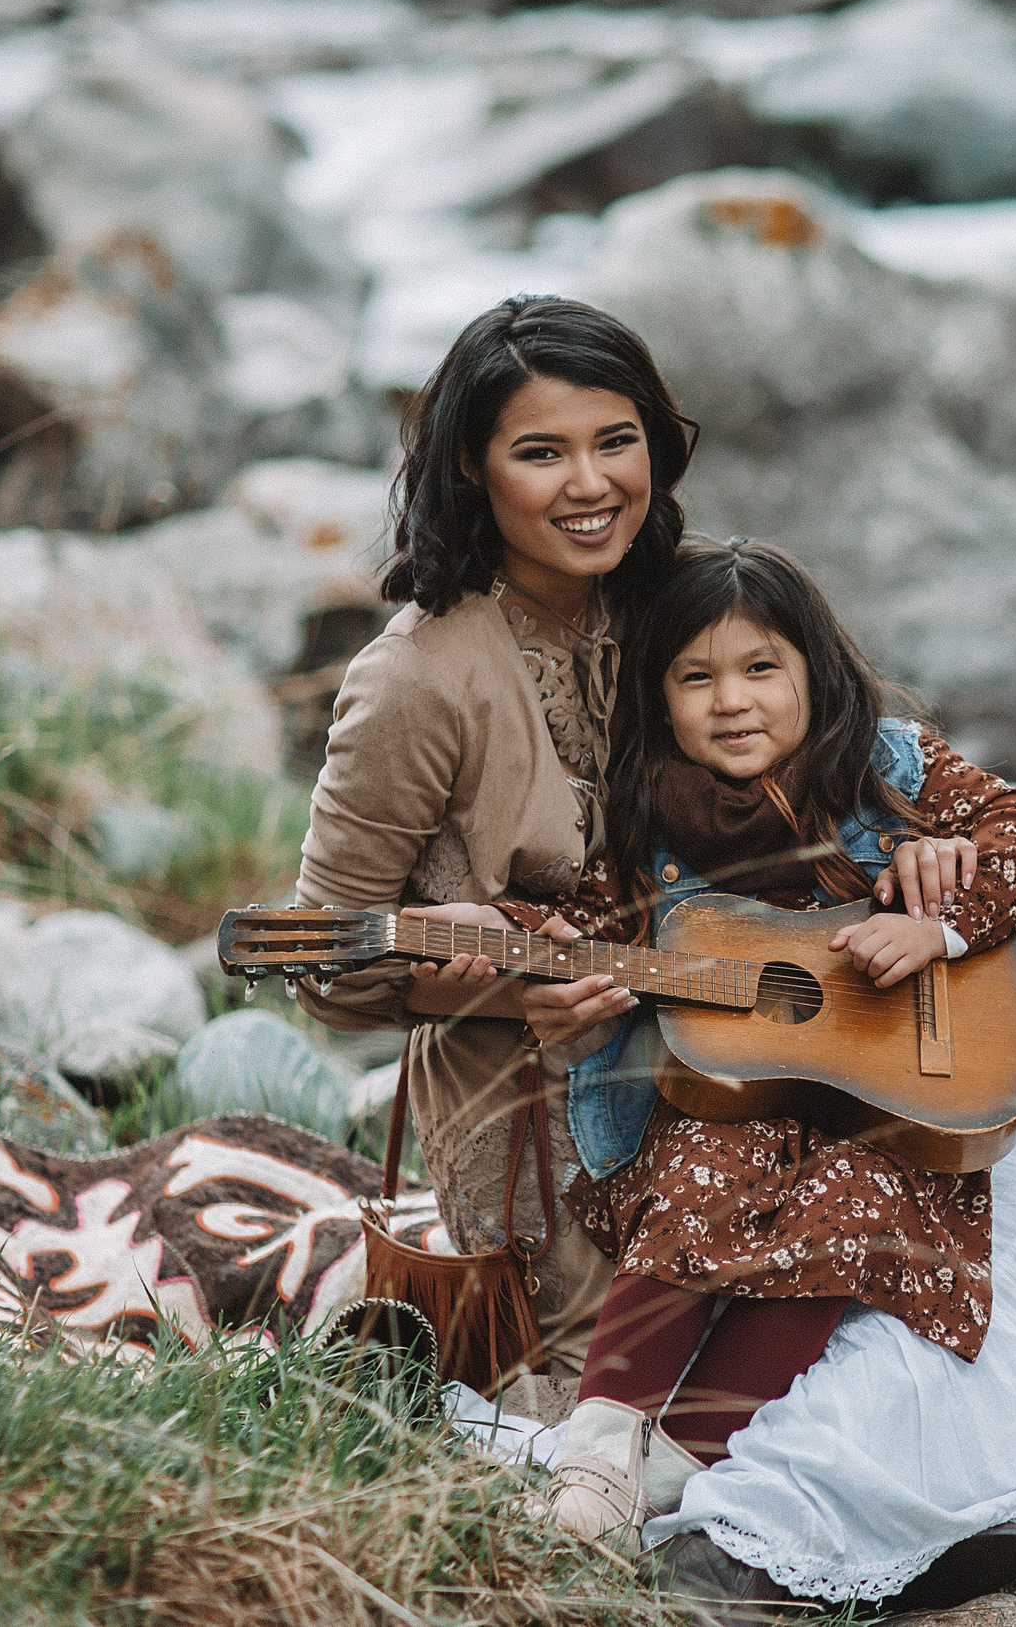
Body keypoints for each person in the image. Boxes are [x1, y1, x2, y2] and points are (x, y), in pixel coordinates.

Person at [533, 537, 1016, 1610]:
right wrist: (544, 982)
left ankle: (688, 1445)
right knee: (705, 1163)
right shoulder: (637, 816)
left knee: (864, 1211)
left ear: (814, 670)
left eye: (760, 667)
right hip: (717, 1107)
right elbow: (572, 933)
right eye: (695, 676)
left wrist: (940, 928)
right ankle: (600, 1441)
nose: (732, 701)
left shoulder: (886, 763)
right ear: (655, 696)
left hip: (885, 1101)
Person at [294, 295, 697, 1382]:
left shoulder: (698, 606)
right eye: (540, 452)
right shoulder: (415, 678)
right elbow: (324, 965)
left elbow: (846, 780)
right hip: (533, 1105)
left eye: (617, 441)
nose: (590, 484)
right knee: (667, 1398)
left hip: (731, 1053)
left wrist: (920, 855)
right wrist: (498, 988)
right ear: (472, 468)